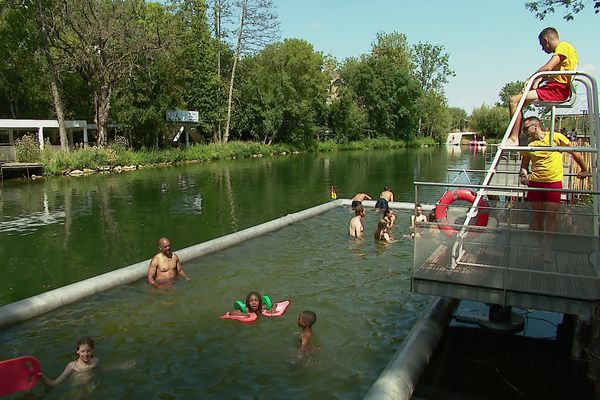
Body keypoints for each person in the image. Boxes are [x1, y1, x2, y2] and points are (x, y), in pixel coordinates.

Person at [507, 27, 578, 146]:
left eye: (542, 45)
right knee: (517, 102)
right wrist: (539, 80)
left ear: (546, 40)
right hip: (554, 88)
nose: (542, 48)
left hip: (557, 90)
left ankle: (514, 138)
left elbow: (548, 67)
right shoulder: (564, 52)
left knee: (514, 101)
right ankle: (517, 137)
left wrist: (532, 78)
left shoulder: (563, 46)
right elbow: (551, 72)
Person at [519, 116, 588, 232]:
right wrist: (523, 176)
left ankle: (548, 249)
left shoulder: (555, 137)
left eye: (526, 129)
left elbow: (574, 152)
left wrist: (584, 169)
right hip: (535, 183)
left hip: (553, 183)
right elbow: (524, 164)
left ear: (535, 127)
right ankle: (540, 246)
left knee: (551, 217)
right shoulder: (529, 145)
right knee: (537, 215)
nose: (524, 132)